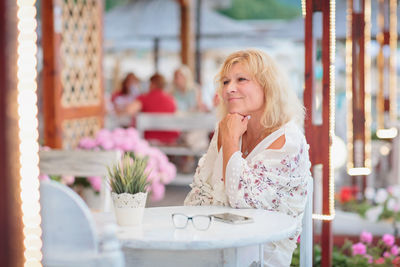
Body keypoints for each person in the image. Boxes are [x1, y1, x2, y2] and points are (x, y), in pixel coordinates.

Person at [184, 49, 311, 266]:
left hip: (261, 254)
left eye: (241, 79)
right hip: (216, 241)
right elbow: (198, 194)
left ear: (267, 85)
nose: (229, 89)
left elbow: (242, 200)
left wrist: (231, 142)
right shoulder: (227, 127)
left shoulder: (288, 140)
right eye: (225, 82)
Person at [120, 73, 179, 144]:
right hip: (170, 138)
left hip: (150, 138)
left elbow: (129, 110)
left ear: (152, 84)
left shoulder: (145, 98)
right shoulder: (171, 100)